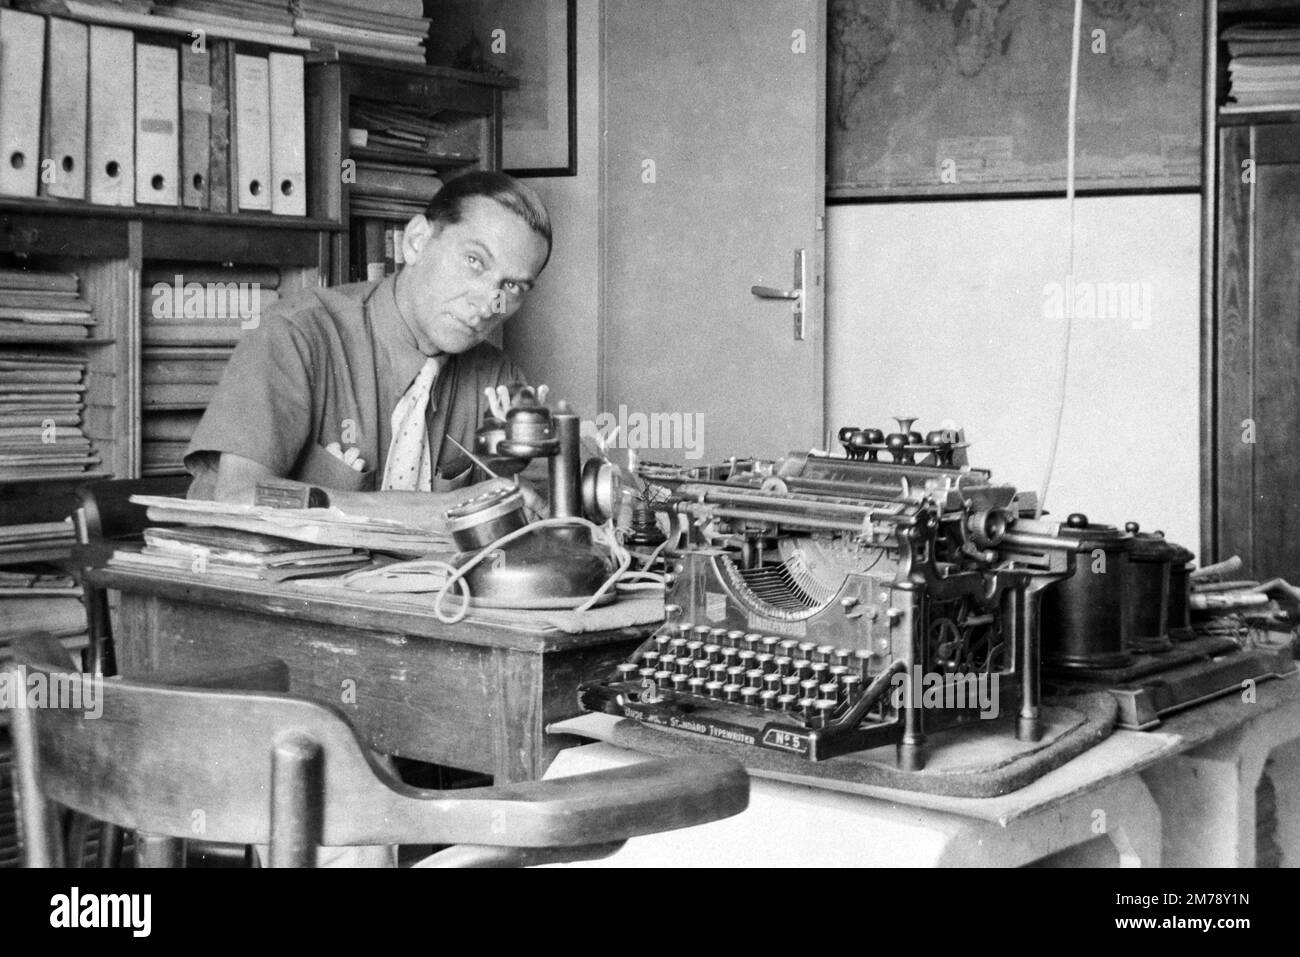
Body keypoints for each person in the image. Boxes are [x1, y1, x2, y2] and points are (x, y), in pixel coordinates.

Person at [184, 170, 552, 526]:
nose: (489, 303)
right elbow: (240, 496)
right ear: (416, 241)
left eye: (513, 287)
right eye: (474, 262)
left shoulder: (497, 378)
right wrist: (438, 508)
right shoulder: (298, 333)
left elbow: (543, 494)